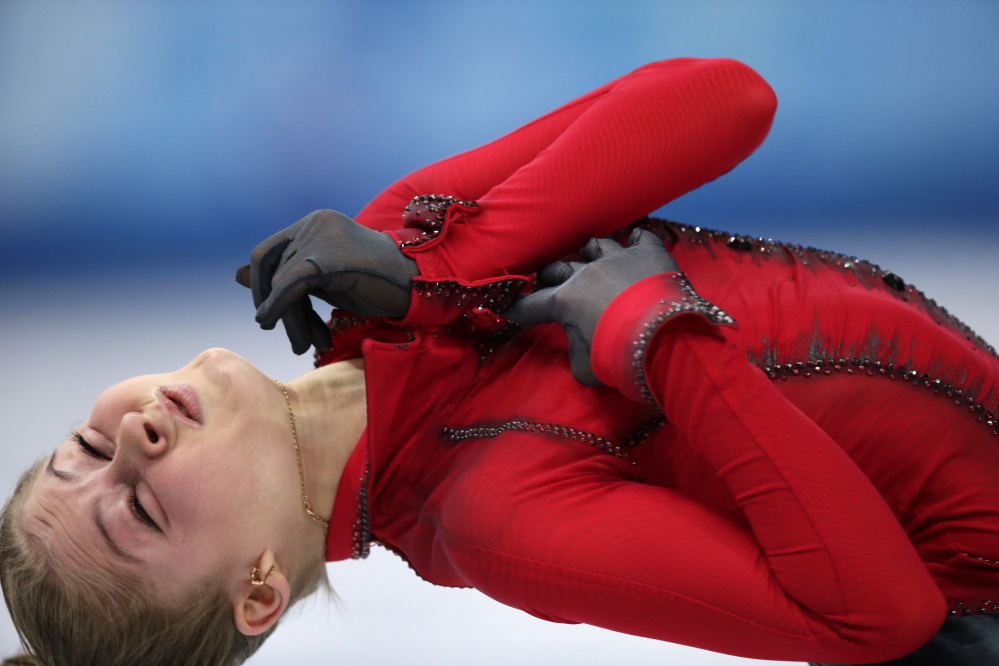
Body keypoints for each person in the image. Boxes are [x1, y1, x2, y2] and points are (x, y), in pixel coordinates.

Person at [2, 57, 997, 666]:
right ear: (258, 588)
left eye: (87, 444)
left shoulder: (401, 259)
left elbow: (729, 99)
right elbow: (881, 618)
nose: (131, 438)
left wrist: (438, 272)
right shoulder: (491, 520)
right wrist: (662, 339)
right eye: (138, 508)